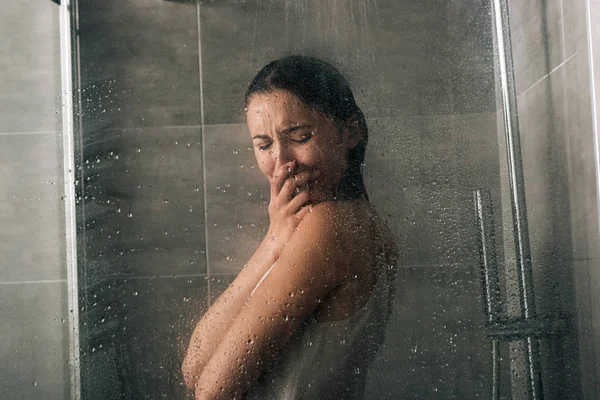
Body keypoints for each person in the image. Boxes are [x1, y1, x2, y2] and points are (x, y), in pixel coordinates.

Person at [182, 55, 398, 400]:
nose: (282, 161)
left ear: (350, 131)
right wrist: (273, 240)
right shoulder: (364, 221)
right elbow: (194, 370)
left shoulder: (329, 227)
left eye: (300, 136)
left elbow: (210, 390)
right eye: (264, 145)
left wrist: (274, 240)